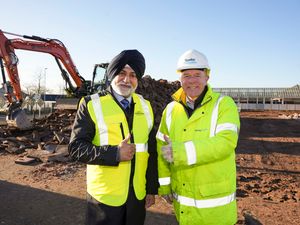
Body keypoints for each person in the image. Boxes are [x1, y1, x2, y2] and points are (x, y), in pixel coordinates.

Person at [69, 49, 158, 225]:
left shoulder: (146, 106)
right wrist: (115, 153)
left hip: (137, 196)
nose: (127, 79)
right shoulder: (90, 104)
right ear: (112, 74)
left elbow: (152, 151)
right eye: (122, 73)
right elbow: (76, 148)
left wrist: (151, 188)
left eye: (133, 75)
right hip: (104, 198)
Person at [156, 49, 240, 225]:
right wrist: (164, 185)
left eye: (197, 74)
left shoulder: (224, 105)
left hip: (215, 211)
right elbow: (162, 149)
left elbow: (226, 142)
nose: (192, 80)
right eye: (186, 75)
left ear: (207, 77)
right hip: (183, 208)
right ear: (180, 79)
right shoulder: (171, 110)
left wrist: (181, 152)